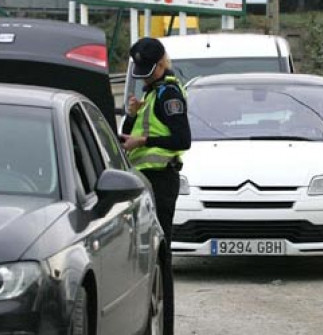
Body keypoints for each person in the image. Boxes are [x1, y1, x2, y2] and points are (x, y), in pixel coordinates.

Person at [120, 37, 191, 335]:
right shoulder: (150, 94)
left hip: (161, 181)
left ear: (163, 63)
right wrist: (133, 116)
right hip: (143, 183)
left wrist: (143, 141)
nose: (145, 75)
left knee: (161, 257)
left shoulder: (168, 94)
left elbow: (182, 140)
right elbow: (128, 135)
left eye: (150, 70)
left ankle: (166, 325)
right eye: (142, 70)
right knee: (143, 257)